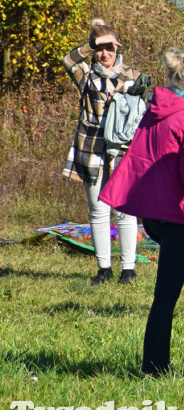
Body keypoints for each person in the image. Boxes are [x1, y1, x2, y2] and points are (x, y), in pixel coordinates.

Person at [99, 48, 184, 378]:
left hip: (157, 213)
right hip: (179, 216)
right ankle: (154, 369)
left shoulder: (160, 108)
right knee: (166, 298)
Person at [62, 18, 142, 285]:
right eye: (99, 49)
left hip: (122, 150)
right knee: (98, 209)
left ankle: (128, 270)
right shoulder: (86, 74)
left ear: (118, 47)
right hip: (92, 147)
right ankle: (103, 269)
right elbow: (68, 60)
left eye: (109, 47)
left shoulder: (132, 76)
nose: (104, 54)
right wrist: (91, 43)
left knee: (125, 210)